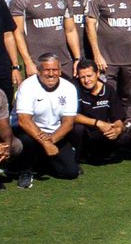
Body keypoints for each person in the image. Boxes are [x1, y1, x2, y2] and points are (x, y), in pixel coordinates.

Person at [12, 54, 80, 186]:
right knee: (26, 139)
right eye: (47, 70)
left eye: (55, 70)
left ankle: (41, 161)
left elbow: (68, 122)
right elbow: (24, 121)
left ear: (60, 71)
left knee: (70, 172)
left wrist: (52, 140)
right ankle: (25, 171)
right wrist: (46, 143)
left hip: (54, 134)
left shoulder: (69, 88)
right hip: (30, 133)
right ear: (38, 71)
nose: (51, 74)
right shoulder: (27, 86)